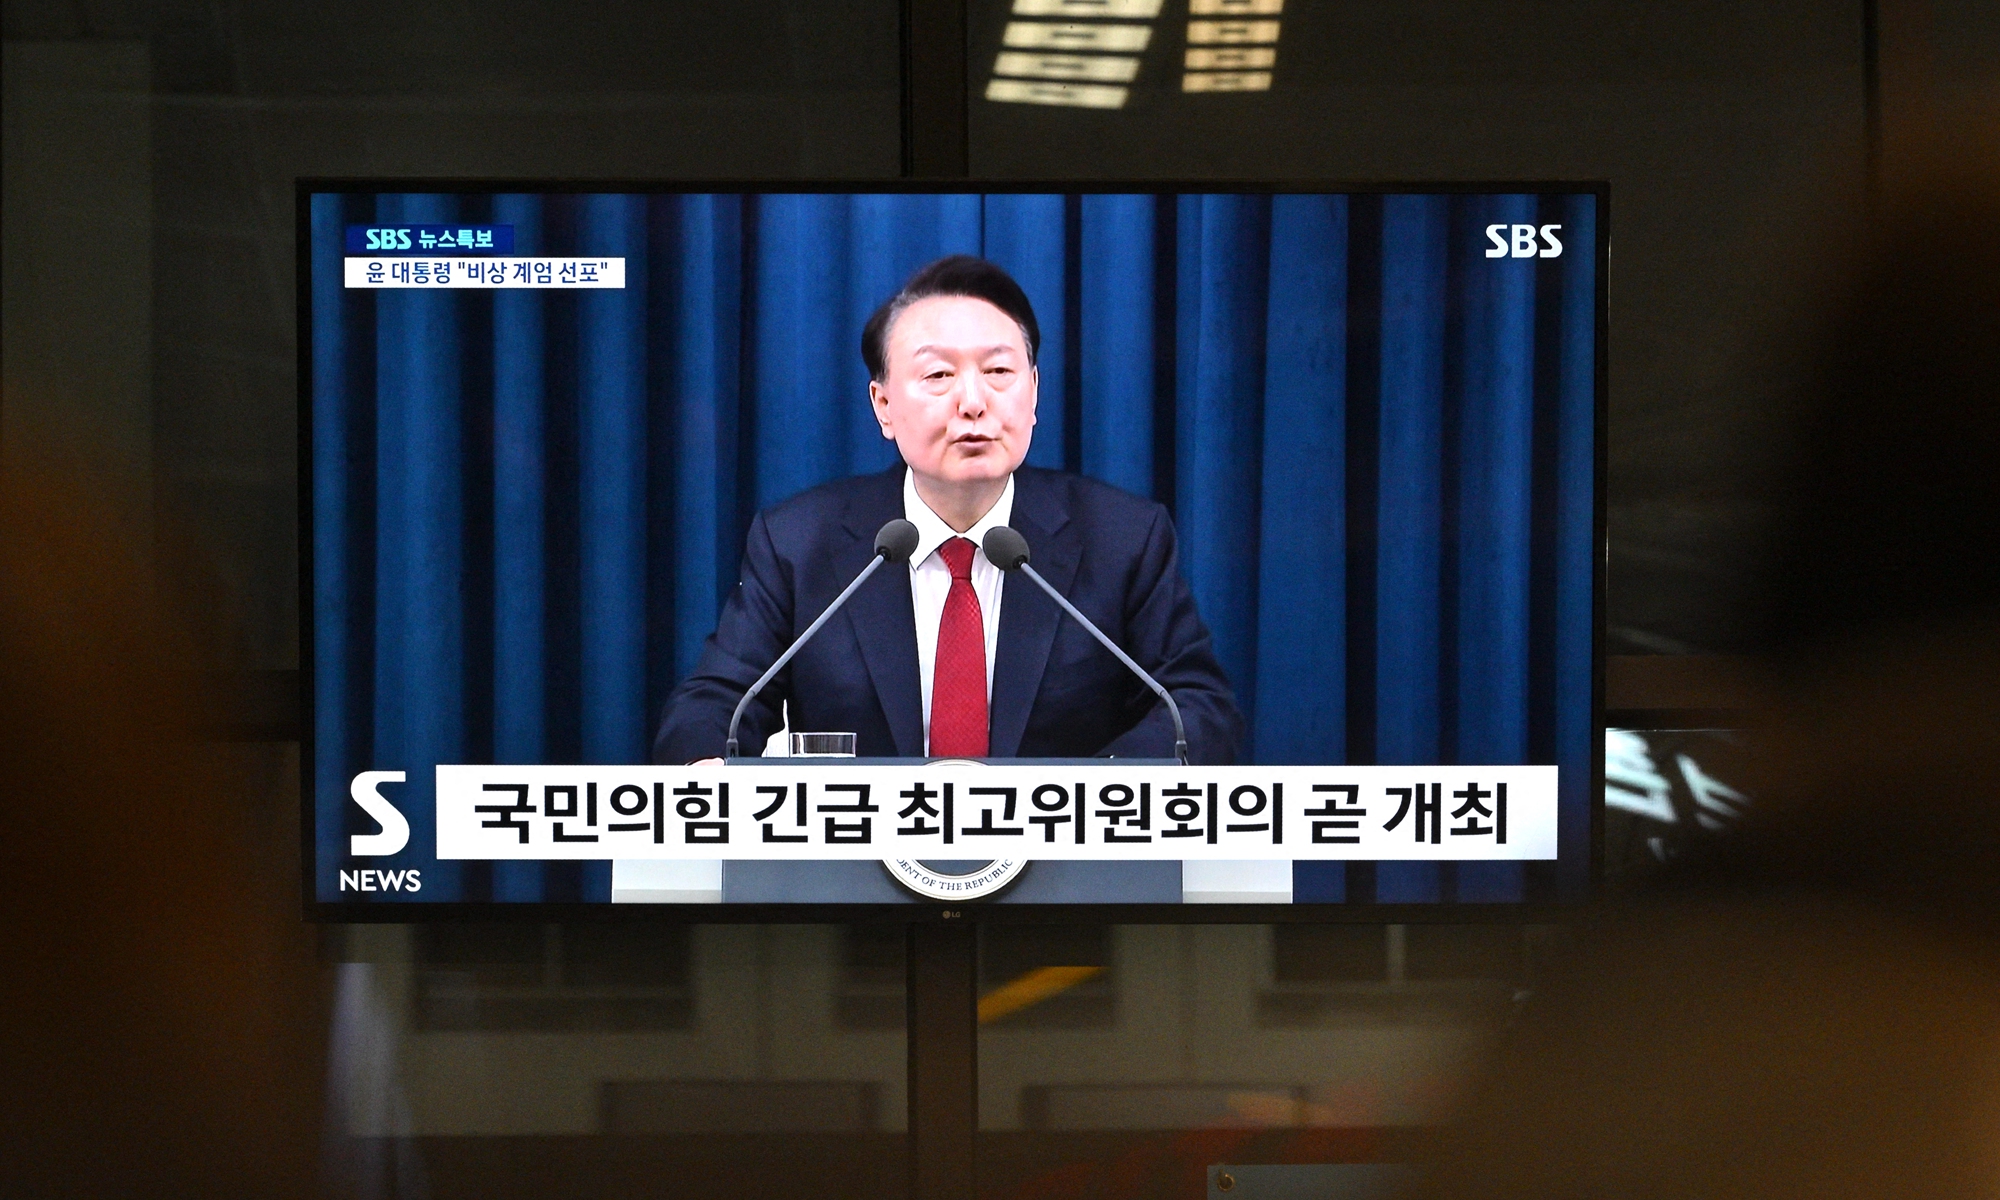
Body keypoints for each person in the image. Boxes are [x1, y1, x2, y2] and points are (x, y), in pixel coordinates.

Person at [653, 255, 1244, 765]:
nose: (973, 402)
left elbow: (1197, 708)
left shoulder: (1123, 538)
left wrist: (1084, 796)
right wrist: (708, 766)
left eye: (998, 371)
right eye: (938, 374)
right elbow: (713, 704)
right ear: (883, 405)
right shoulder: (799, 542)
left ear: (1034, 392)